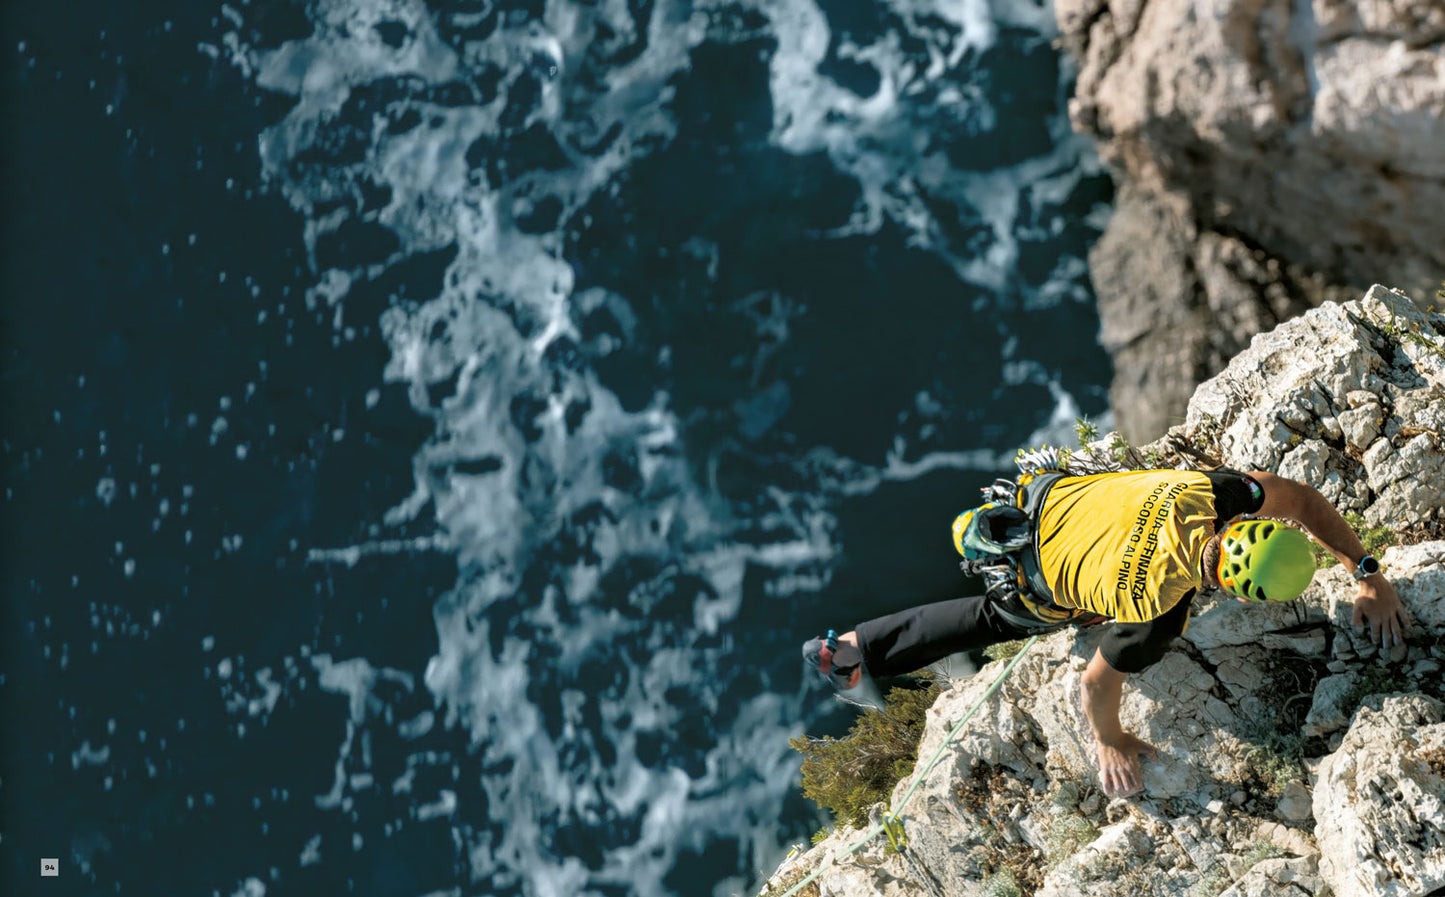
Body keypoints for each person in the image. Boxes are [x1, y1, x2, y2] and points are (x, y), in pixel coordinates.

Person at [803, 467, 1409, 798]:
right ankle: (861, 654)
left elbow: (1298, 498)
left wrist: (1369, 572)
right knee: (993, 618)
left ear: (1245, 526)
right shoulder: (1158, 613)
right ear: (1239, 592)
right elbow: (1095, 684)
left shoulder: (1213, 491)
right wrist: (1110, 738)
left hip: (1043, 495)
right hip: (1029, 579)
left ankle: (852, 641)